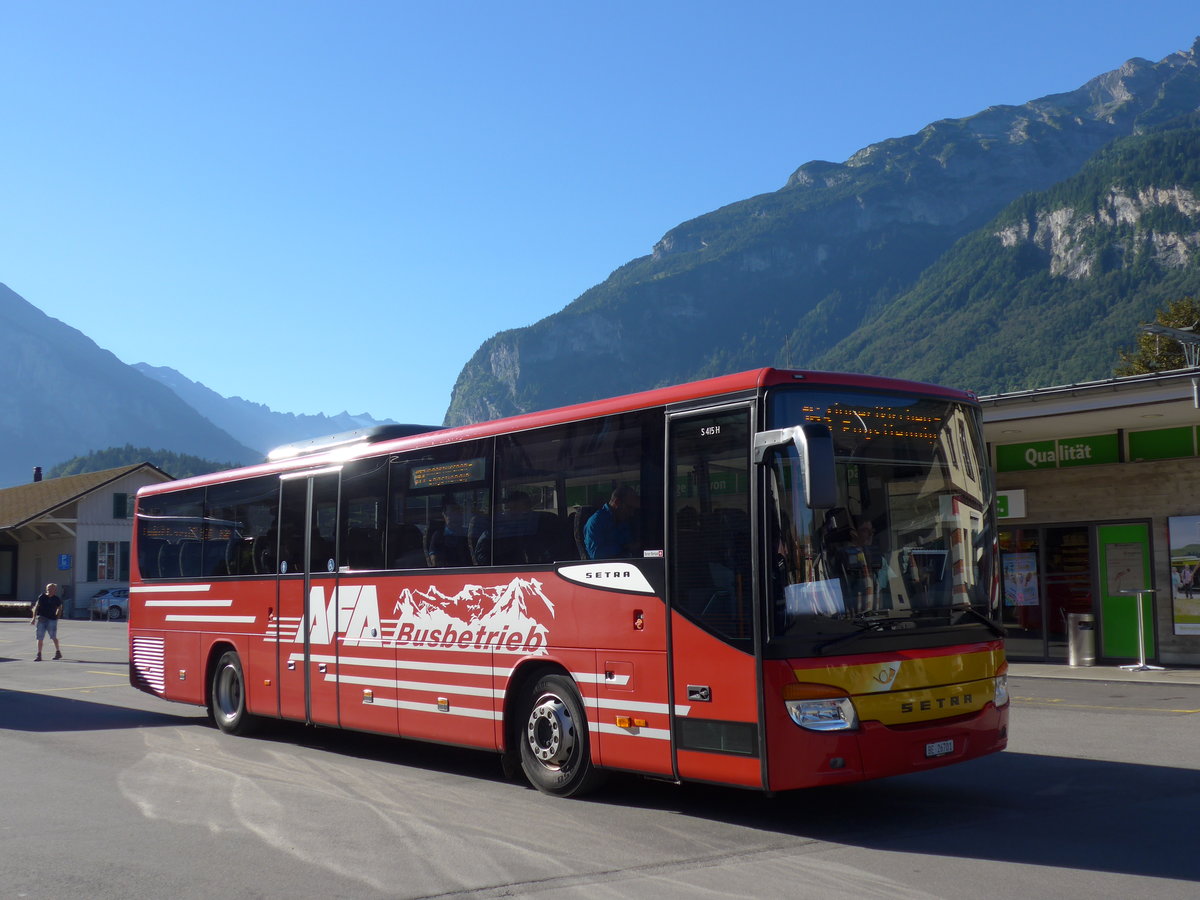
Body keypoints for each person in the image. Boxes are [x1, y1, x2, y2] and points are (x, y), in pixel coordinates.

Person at [584, 486, 640, 559]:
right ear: (617, 502)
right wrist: (624, 547)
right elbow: (596, 554)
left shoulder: (624, 521)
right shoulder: (596, 521)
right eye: (629, 508)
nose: (631, 513)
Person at [31, 582, 64, 661]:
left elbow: (59, 607)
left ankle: (58, 652)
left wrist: (57, 616)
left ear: (55, 590)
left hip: (52, 620)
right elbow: (36, 607)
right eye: (48, 588)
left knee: (53, 636)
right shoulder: (42, 597)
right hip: (42, 619)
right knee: (39, 637)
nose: (50, 590)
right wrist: (33, 618)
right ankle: (39, 654)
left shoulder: (56, 599)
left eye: (52, 588)